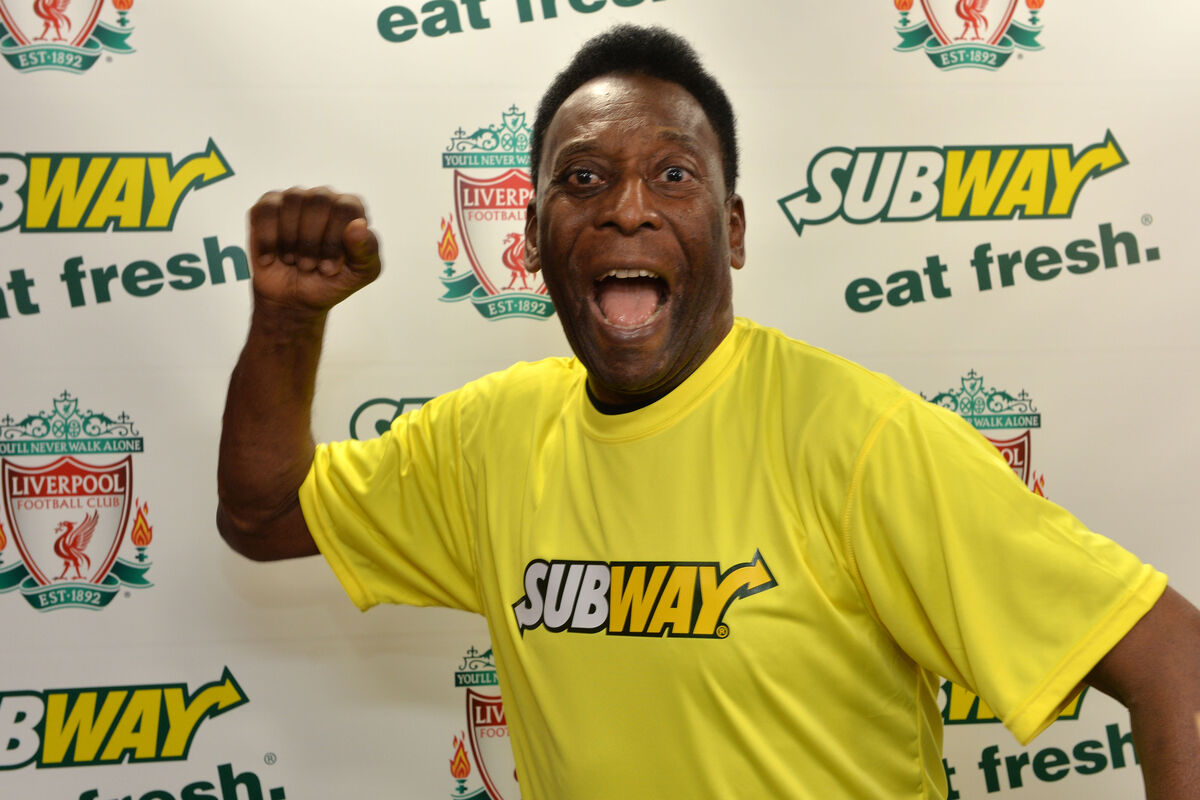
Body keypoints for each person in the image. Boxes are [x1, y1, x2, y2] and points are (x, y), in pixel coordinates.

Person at [217, 24, 1200, 799]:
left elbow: (1171, 656)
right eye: (584, 178)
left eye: (674, 175)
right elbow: (263, 516)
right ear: (532, 238)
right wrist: (288, 322)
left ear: (731, 231)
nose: (627, 207)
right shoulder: (488, 440)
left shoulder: (857, 438)